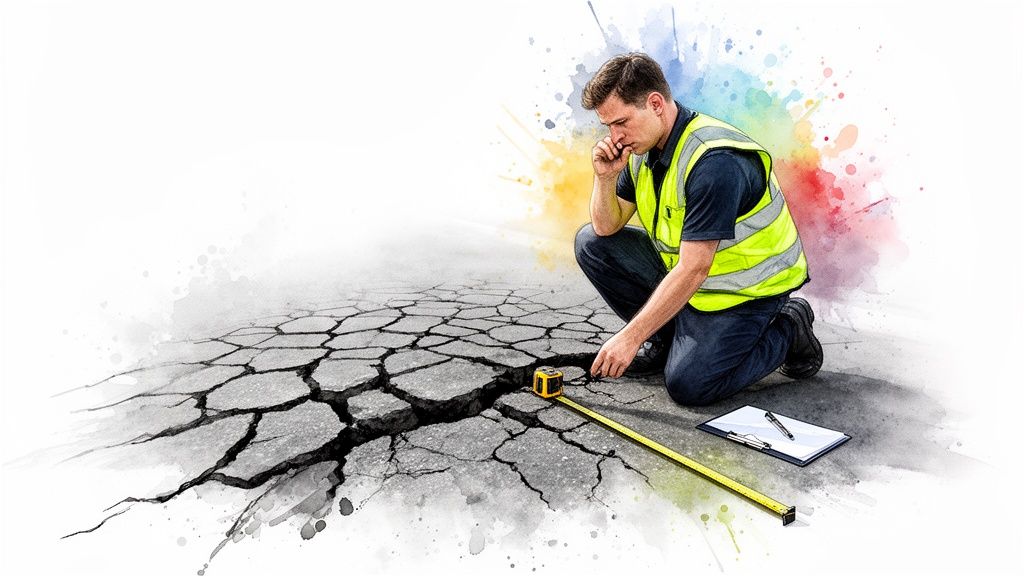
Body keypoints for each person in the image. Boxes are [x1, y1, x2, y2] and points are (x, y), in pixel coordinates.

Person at [575, 52, 822, 406]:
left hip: (746, 291)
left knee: (689, 386)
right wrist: (606, 178)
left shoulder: (714, 161)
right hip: (696, 282)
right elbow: (605, 225)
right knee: (590, 243)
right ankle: (666, 339)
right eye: (608, 127)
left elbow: (695, 267)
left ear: (655, 104)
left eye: (621, 122)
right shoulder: (644, 148)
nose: (615, 136)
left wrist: (629, 338)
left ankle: (789, 328)